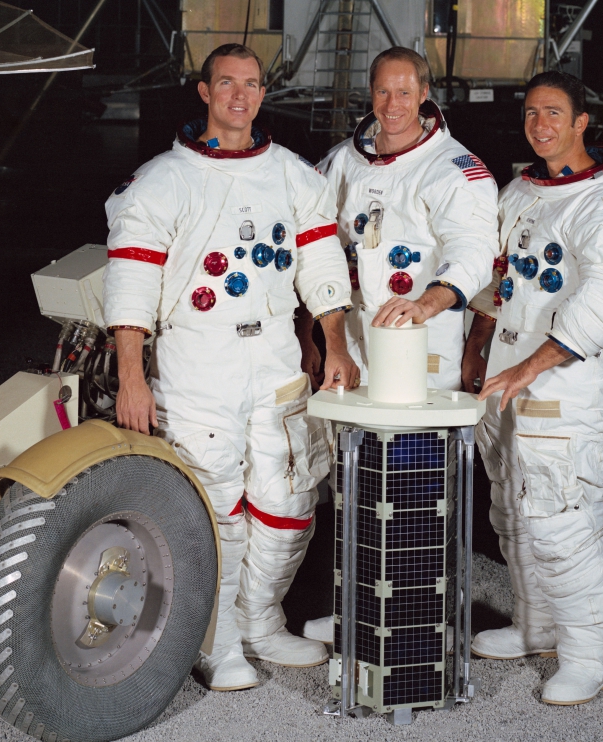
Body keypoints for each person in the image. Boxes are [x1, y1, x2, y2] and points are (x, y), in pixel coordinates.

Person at [102, 43, 359, 693]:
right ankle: (215, 642)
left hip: (273, 354)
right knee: (215, 505)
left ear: (263, 93)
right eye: (226, 83)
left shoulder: (293, 175)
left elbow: (322, 266)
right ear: (204, 91)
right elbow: (131, 285)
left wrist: (334, 342)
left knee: (290, 495)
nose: (239, 96)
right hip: (198, 359)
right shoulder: (161, 180)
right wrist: (132, 377)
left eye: (250, 84)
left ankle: (261, 621)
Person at [462, 70, 603, 705]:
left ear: (581, 122)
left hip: (563, 392)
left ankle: (590, 656)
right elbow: (498, 280)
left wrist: (530, 367)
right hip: (507, 385)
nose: (540, 124)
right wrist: (476, 346)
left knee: (563, 522)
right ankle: (537, 626)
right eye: (531, 113)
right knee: (512, 512)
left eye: (553, 113)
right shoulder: (523, 191)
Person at [300, 46, 499, 642]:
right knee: (357, 483)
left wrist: (428, 303)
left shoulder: (455, 168)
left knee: (417, 488)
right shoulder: (344, 161)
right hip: (360, 346)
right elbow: (313, 236)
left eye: (405, 92)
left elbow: (474, 252)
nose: (393, 105)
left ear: (425, 95)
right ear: (371, 93)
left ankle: (420, 623)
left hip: (422, 348)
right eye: (383, 92)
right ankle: (360, 612)